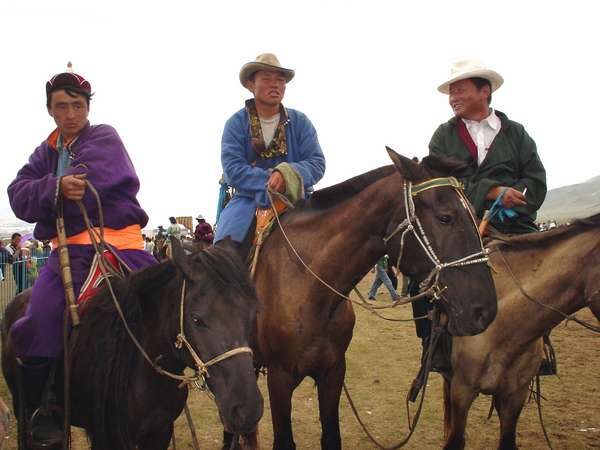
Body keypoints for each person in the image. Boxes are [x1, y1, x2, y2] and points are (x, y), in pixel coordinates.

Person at [7, 65, 157, 446]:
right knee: (39, 317)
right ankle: (45, 407)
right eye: (62, 106)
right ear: (51, 110)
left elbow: (98, 176)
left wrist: (53, 194)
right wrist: (57, 187)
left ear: (87, 108)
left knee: (171, 300)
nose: (71, 113)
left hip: (123, 250)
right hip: (70, 254)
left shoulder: (104, 137)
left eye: (77, 104)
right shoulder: (46, 152)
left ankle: (188, 379)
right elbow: (16, 193)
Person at [413, 59, 547, 372]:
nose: (453, 97)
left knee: (547, 275)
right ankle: (434, 348)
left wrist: (517, 197)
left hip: (515, 224)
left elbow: (536, 178)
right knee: (420, 282)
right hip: (459, 226)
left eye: (460, 90)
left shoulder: (516, 134)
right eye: (450, 92)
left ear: (484, 91)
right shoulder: (443, 137)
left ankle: (539, 347)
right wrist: (489, 191)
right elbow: (441, 183)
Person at [214, 53, 325, 253]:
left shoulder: (300, 122)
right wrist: (271, 179)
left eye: (280, 81)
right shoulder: (236, 124)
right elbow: (232, 170)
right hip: (248, 201)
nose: (275, 85)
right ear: (250, 84)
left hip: (298, 200)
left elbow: (317, 163)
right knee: (223, 254)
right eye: (266, 79)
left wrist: (287, 175)